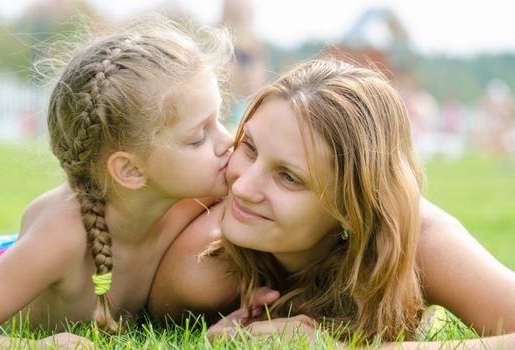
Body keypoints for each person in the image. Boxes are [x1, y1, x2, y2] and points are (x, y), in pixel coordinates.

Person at [148, 59, 515, 348]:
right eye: (250, 147)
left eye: (288, 177)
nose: (243, 186)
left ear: (352, 211)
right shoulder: (204, 267)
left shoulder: (417, 238)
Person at [0, 16, 234, 348]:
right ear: (130, 171)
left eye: (219, 120)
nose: (228, 141)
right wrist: (35, 345)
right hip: (2, 259)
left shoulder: (191, 200)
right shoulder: (63, 237)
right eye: (198, 138)